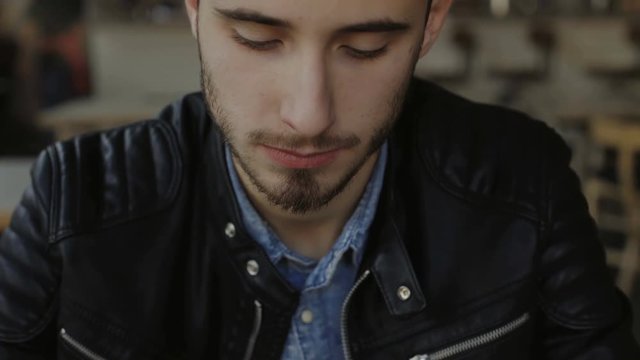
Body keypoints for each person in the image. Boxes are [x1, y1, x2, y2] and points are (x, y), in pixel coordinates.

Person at [0, 0, 638, 358]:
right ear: (194, 10)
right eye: (256, 39)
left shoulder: (525, 182)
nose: (309, 116)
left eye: (364, 49)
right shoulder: (72, 203)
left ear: (432, 22)